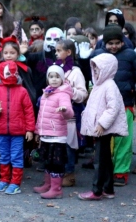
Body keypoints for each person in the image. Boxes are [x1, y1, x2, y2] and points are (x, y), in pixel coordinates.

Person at [90, 25, 136, 186]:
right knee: (105, 143)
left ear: (123, 42)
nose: (114, 46)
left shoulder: (130, 56)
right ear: (105, 43)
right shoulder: (98, 55)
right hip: (104, 107)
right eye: (110, 43)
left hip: (126, 103)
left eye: (117, 42)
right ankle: (105, 172)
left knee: (123, 141)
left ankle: (121, 172)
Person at [78, 53, 128, 200]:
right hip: (99, 130)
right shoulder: (99, 86)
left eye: (98, 69)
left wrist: (101, 123)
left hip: (103, 129)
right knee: (105, 159)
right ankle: (108, 188)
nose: (96, 71)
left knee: (100, 160)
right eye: (94, 69)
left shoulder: (109, 86)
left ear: (107, 69)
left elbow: (113, 108)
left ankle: (97, 190)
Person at [0, 61, 35, 195]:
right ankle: (4, 179)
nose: (12, 75)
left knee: (16, 157)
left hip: (18, 131)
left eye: (15, 73)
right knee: (4, 156)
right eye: (8, 73)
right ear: (1, 74)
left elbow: (29, 111)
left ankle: (15, 183)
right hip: (2, 131)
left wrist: (30, 129)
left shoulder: (22, 91)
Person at [33, 65, 74, 199]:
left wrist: (64, 110)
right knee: (47, 161)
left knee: (56, 162)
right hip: (46, 134)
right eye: (51, 77)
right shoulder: (47, 93)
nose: (54, 79)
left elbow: (69, 111)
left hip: (57, 135)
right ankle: (48, 184)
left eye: (57, 77)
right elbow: (41, 114)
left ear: (62, 79)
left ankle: (56, 189)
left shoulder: (63, 94)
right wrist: (38, 130)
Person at [54, 39, 88, 187]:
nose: (56, 53)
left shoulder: (76, 72)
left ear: (68, 52)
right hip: (55, 114)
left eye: (59, 50)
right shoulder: (55, 69)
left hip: (70, 115)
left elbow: (83, 93)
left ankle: (69, 173)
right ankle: (57, 173)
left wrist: (71, 91)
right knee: (57, 145)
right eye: (55, 51)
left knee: (68, 145)